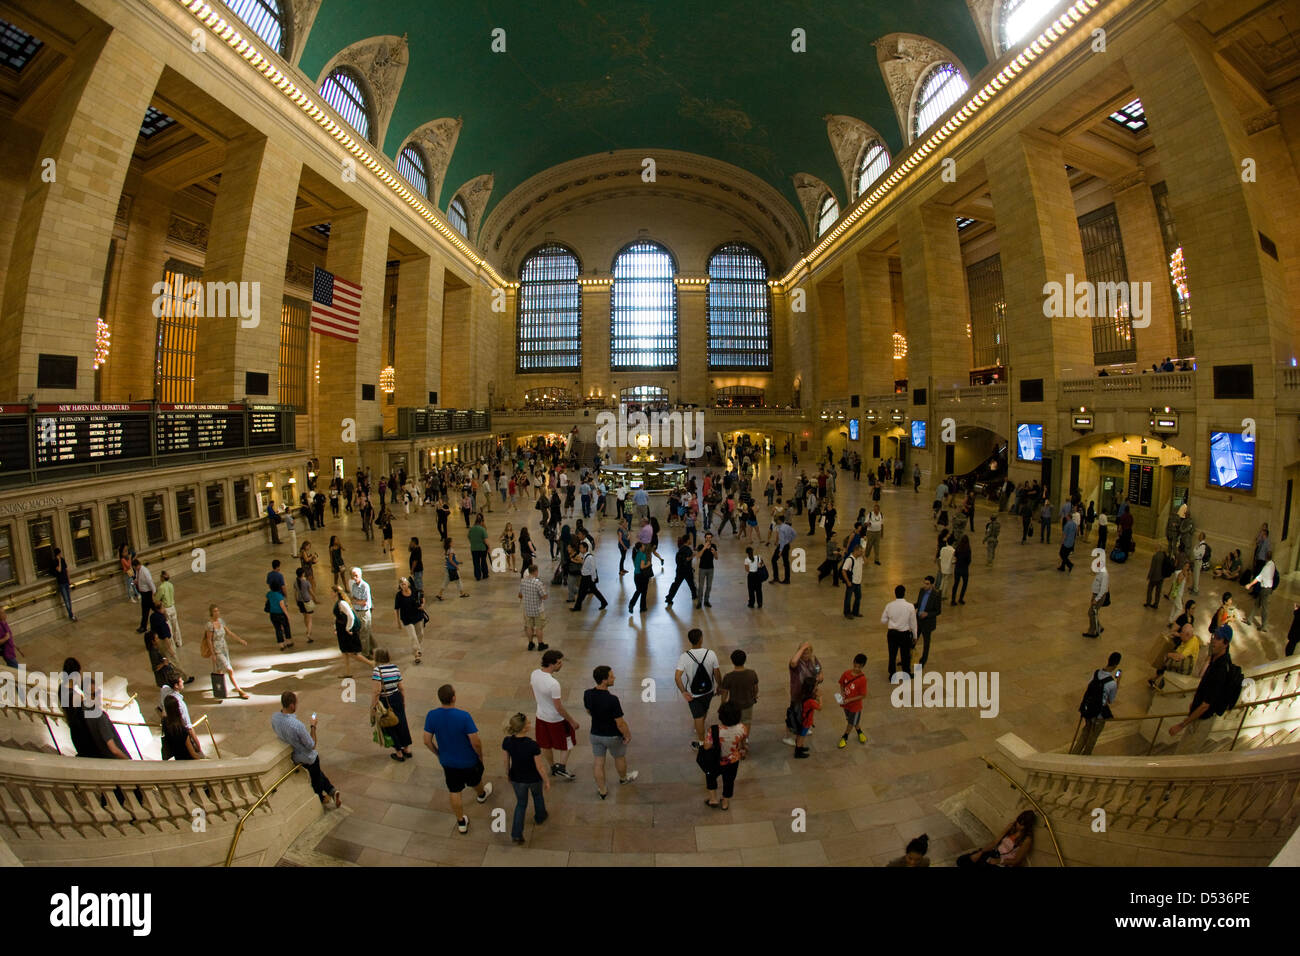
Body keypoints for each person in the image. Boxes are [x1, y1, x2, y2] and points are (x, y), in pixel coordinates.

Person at [1167, 625, 1236, 751]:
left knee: (1184, 755)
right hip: (1197, 715)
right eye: (1214, 636)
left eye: (1218, 638)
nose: (1214, 640)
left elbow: (1206, 705)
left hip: (1202, 720)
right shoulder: (1216, 659)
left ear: (1225, 643)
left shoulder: (1221, 669)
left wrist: (1181, 725)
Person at [272, 691, 341, 808]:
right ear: (292, 705)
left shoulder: (274, 718)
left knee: (318, 774)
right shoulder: (297, 725)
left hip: (294, 756)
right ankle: (321, 797)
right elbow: (312, 745)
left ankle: (332, 791)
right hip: (307, 757)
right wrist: (313, 726)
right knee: (316, 779)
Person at [583, 665, 638, 798]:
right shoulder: (612, 700)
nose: (614, 678)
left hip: (595, 734)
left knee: (598, 763)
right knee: (619, 757)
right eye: (611, 676)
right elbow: (620, 723)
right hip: (612, 736)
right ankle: (623, 779)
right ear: (604, 680)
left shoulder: (588, 694)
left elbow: (588, 711)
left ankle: (602, 790)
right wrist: (627, 735)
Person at [501, 712, 550, 845]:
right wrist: (546, 780)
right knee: (538, 797)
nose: (530, 724)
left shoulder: (507, 742)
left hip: (517, 778)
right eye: (528, 722)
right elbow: (539, 766)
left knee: (521, 804)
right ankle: (540, 816)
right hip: (534, 778)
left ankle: (516, 833)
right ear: (524, 728)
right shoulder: (532, 745)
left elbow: (506, 761)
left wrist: (508, 774)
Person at [531, 649, 580, 779]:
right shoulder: (553, 684)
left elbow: (534, 691)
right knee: (568, 742)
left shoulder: (534, 674)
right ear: (551, 664)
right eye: (559, 663)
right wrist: (571, 721)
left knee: (545, 744)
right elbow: (558, 707)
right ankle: (561, 767)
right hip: (555, 719)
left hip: (540, 715)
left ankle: (552, 767)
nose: (561, 665)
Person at [675, 628, 722, 746]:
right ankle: (700, 726)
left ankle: (701, 743)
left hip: (693, 694)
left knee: (698, 717)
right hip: (709, 690)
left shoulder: (684, 657)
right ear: (701, 639)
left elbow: (677, 677)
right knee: (704, 710)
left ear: (690, 640)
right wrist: (719, 686)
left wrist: (684, 692)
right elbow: (717, 673)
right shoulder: (710, 653)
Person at [1070, 652, 1121, 755]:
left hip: (1088, 710)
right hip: (1098, 715)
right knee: (1092, 738)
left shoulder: (1096, 673)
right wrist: (1118, 682)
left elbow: (1089, 686)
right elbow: (1110, 700)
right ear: (1116, 665)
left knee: (1085, 733)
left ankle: (1073, 756)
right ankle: (1084, 757)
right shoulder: (1112, 683)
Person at [700, 701, 748, 808]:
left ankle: (713, 799)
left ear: (721, 716)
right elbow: (742, 741)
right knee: (729, 781)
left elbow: (706, 746)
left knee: (711, 777)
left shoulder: (714, 730)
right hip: (732, 761)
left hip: (715, 761)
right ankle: (725, 802)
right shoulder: (742, 728)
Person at [370, 648, 413, 761]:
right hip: (397, 698)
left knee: (390, 724)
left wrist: (373, 706)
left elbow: (377, 691)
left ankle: (399, 753)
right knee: (402, 722)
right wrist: (403, 701)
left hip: (385, 700)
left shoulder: (377, 670)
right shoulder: (395, 667)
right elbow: (401, 687)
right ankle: (407, 749)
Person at [202, 604, 250, 699]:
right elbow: (209, 640)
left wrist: (240, 640)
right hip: (217, 650)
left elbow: (229, 633)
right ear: (211, 613)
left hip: (224, 648)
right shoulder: (210, 625)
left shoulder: (220, 621)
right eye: (215, 611)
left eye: (218, 611)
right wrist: (213, 654)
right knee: (229, 669)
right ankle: (239, 690)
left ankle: (219, 689)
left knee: (219, 669)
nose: (217, 613)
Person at [956, 811, 1036, 867]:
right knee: (962, 861)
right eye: (1018, 822)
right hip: (994, 853)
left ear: (1027, 826)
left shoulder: (1026, 840)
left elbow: (1016, 861)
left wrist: (998, 861)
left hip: (1003, 862)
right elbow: (995, 842)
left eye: (1022, 825)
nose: (1018, 825)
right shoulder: (1012, 827)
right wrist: (981, 852)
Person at [330, 585, 373, 675]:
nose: (330, 594)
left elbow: (351, 616)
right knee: (344, 652)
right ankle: (347, 672)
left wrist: (348, 628)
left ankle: (371, 663)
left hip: (345, 630)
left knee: (352, 653)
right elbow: (337, 617)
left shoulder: (342, 603)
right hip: (341, 629)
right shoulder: (338, 602)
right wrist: (336, 628)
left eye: (332, 592)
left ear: (336, 593)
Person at [882, 584, 918, 678]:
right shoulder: (910, 606)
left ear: (895, 594)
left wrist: (892, 619)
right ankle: (906, 673)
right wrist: (915, 636)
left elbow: (883, 620)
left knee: (892, 655)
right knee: (905, 655)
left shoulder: (889, 605)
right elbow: (913, 623)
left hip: (892, 634)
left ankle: (892, 674)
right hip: (904, 634)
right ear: (904, 593)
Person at [719, 649, 758, 726]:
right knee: (746, 722)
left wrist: (722, 704)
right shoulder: (752, 674)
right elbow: (755, 688)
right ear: (745, 660)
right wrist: (754, 696)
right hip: (748, 704)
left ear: (732, 661)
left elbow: (724, 693)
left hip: (733, 706)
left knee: (734, 723)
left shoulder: (728, 677)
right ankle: (745, 738)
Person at [837, 653, 868, 748]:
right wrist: (842, 693)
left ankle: (845, 736)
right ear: (853, 663)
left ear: (863, 666)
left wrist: (850, 699)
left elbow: (863, 695)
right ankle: (859, 731)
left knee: (851, 722)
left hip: (855, 706)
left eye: (859, 667)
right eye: (855, 666)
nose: (856, 669)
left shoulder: (862, 679)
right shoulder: (846, 674)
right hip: (846, 704)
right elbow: (842, 684)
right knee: (852, 720)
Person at [393, 577, 425, 665]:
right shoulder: (399, 595)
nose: (403, 586)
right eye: (401, 584)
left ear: (408, 584)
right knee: (413, 636)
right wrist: (398, 621)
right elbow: (396, 609)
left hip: (417, 615)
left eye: (404, 583)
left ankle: (416, 648)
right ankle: (416, 654)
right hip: (406, 618)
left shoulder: (414, 591)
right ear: (399, 586)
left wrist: (422, 605)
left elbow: (422, 598)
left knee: (420, 634)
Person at [161, 693, 202, 760]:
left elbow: (163, 715)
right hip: (187, 758)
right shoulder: (181, 730)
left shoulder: (165, 723)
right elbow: (193, 754)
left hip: (177, 757)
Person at [518, 564, 549, 652]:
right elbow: (544, 596)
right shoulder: (538, 583)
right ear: (535, 571)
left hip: (527, 608)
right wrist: (544, 589)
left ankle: (530, 643)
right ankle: (540, 644)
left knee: (529, 627)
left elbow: (520, 595)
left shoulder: (523, 581)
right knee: (539, 628)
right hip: (538, 609)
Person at [572, 541, 609, 611]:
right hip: (585, 577)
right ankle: (604, 602)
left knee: (584, 592)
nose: (580, 549)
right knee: (589, 591)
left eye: (581, 548)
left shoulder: (590, 557)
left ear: (585, 548)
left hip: (588, 578)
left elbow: (593, 568)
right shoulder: (584, 556)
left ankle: (577, 607)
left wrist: (593, 578)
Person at [914, 575, 941, 668]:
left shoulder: (936, 595)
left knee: (926, 643)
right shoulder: (921, 591)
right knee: (913, 638)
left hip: (927, 623)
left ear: (932, 585)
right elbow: (918, 603)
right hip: (918, 620)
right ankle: (908, 656)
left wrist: (927, 614)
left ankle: (923, 661)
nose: (925, 585)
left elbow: (938, 611)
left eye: (927, 584)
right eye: (924, 583)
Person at [1246, 556, 1278, 631]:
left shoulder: (1265, 568)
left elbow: (1258, 578)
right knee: (1257, 604)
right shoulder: (1273, 564)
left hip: (1265, 589)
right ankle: (1249, 620)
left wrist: (1249, 585)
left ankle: (1264, 626)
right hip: (1267, 589)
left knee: (1264, 608)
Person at [794, 677, 821, 759]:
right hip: (805, 722)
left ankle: (800, 747)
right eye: (815, 686)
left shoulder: (802, 694)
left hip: (800, 720)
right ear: (811, 688)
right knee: (802, 736)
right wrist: (821, 698)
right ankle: (798, 752)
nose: (817, 688)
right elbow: (820, 708)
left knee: (799, 734)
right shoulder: (810, 701)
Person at [1084, 563, 1110, 637]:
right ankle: (1099, 627)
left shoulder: (1104, 575)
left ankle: (1092, 631)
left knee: (1091, 613)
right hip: (1095, 595)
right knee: (1093, 613)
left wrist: (1096, 599)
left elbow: (1103, 590)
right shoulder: (1100, 572)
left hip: (1098, 596)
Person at [267, 580, 294, 651]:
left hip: (272, 614)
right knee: (286, 627)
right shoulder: (279, 596)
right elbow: (283, 606)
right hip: (281, 614)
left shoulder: (269, 594)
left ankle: (281, 645)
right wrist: (287, 615)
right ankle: (288, 642)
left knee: (278, 629)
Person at [51, 547, 76, 622]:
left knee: (68, 599)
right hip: (61, 582)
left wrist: (69, 580)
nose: (60, 555)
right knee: (66, 599)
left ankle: (70, 613)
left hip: (65, 581)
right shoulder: (55, 562)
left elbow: (66, 570)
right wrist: (58, 561)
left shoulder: (63, 559)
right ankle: (71, 615)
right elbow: (59, 570)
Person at [627, 542, 652, 613]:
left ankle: (634, 605)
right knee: (644, 592)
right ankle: (642, 607)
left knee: (638, 590)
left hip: (636, 575)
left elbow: (637, 566)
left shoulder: (635, 554)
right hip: (643, 576)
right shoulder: (643, 555)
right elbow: (642, 567)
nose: (644, 546)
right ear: (641, 548)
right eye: (643, 545)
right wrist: (648, 564)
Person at [840, 543, 864, 618]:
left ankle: (855, 611)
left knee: (858, 597)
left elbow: (866, 563)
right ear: (856, 551)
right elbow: (843, 570)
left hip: (858, 582)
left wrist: (864, 556)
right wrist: (848, 582)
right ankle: (847, 612)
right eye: (860, 551)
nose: (861, 553)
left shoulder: (860, 558)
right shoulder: (849, 560)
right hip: (851, 582)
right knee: (848, 598)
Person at [294, 567, 316, 645]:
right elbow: (311, 592)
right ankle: (309, 634)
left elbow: (295, 593)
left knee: (305, 617)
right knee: (310, 619)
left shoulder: (295, 582)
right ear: (303, 574)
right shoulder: (306, 582)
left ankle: (307, 629)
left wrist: (296, 601)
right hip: (307, 601)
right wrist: (315, 598)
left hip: (300, 601)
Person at [695, 533, 718, 609]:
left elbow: (716, 557)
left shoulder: (714, 546)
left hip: (711, 569)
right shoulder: (701, 546)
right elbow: (698, 556)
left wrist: (714, 552)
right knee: (701, 586)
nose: (708, 539)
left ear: (711, 538)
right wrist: (704, 548)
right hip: (702, 569)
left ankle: (706, 601)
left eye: (710, 537)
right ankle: (699, 602)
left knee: (709, 586)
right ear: (705, 538)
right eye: (707, 537)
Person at [133, 558, 155, 633]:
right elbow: (137, 577)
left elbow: (150, 582)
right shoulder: (137, 570)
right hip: (143, 593)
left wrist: (153, 593)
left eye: (135, 567)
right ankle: (143, 627)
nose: (135, 569)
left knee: (152, 607)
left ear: (138, 565)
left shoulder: (145, 571)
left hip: (148, 593)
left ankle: (163, 616)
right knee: (145, 610)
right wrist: (136, 581)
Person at [468, 513, 490, 581]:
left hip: (474, 548)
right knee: (483, 561)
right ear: (480, 522)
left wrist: (473, 542)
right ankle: (485, 575)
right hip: (482, 548)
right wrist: (489, 547)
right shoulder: (482, 529)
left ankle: (477, 576)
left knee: (476, 562)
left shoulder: (471, 529)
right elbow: (486, 540)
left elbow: (469, 537)